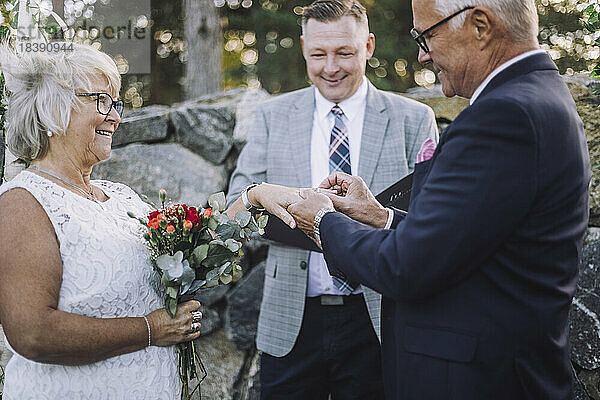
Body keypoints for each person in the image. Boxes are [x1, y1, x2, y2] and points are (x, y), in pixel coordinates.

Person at [278, 0, 591, 399]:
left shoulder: (503, 116)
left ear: (480, 26)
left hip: (478, 380)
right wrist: (381, 217)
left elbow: (406, 265)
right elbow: (466, 236)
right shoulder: (536, 97)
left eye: (426, 35)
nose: (423, 53)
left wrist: (323, 220)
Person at [225, 0, 437, 398]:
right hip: (292, 317)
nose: (331, 67)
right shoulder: (273, 115)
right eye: (318, 54)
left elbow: (429, 223)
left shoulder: (414, 118)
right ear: (303, 47)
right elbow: (231, 210)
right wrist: (256, 195)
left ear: (369, 45)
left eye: (345, 52)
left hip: (380, 315)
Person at [0, 44, 203, 399]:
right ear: (52, 110)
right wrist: (149, 329)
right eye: (101, 101)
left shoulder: (121, 197)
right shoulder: (23, 202)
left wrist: (253, 199)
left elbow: (191, 246)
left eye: (116, 103)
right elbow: (32, 333)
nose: (115, 116)